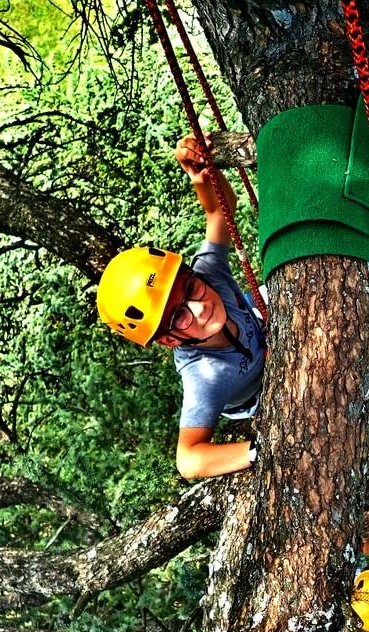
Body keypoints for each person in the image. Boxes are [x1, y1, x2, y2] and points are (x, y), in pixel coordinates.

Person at [96, 134, 265, 479]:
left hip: (259, 320)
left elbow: (220, 211)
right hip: (257, 392)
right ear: (169, 340)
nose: (199, 308)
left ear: (190, 273)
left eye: (190, 288)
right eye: (179, 315)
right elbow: (188, 460)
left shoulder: (208, 273)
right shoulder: (204, 375)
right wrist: (261, 450)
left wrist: (201, 178)